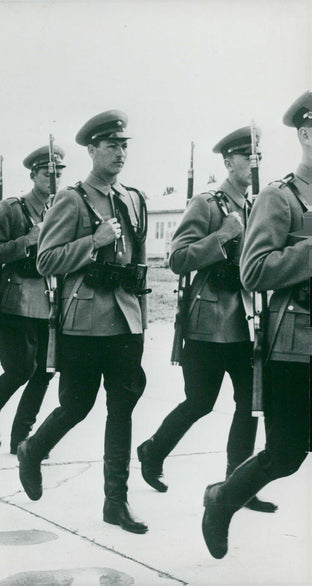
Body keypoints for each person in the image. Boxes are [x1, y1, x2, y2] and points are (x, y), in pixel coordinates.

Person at [17, 111, 150, 535]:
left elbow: (140, 263)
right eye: (111, 145)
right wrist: (93, 242)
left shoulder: (132, 198)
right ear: (91, 150)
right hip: (85, 321)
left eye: (123, 145)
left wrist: (142, 320)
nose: (119, 153)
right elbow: (45, 260)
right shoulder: (72, 199)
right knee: (77, 404)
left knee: (123, 408)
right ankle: (32, 450)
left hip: (126, 320)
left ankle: (116, 501)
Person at [137, 127, 276, 513]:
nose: (254, 164)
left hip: (248, 322)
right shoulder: (207, 204)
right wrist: (223, 236)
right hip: (208, 322)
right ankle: (152, 451)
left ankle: (237, 486)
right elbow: (177, 258)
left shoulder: (261, 204)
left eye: (258, 157)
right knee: (199, 402)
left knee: (251, 404)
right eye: (246, 157)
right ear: (229, 162)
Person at [202, 91, 312, 559]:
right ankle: (222, 499)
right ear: (307, 134)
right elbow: (253, 269)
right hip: (295, 343)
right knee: (286, 454)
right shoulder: (279, 196)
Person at [0, 144, 65, 454]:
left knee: (45, 371)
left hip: (50, 300)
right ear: (33, 175)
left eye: (58, 174)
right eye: (46, 174)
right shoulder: (13, 209)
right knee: (20, 369)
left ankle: (21, 436)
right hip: (16, 299)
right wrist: (27, 241)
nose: (53, 181)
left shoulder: (61, 209)